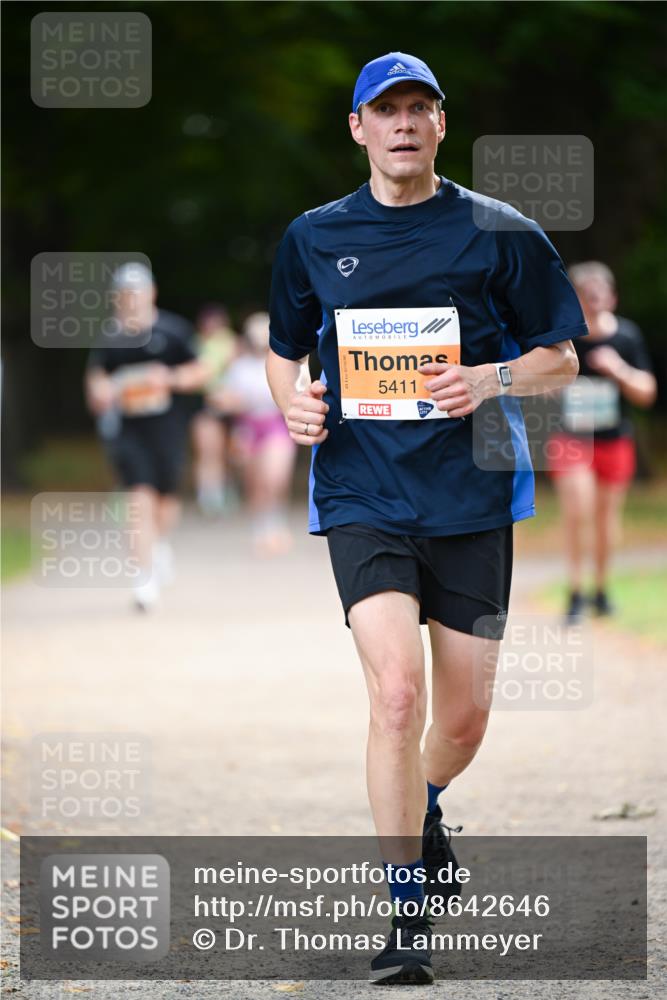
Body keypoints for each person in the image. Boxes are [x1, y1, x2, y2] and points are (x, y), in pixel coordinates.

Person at [267, 51, 585, 985]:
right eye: (385, 110)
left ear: (442, 124)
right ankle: (405, 914)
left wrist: (487, 378)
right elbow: (286, 354)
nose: (403, 124)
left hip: (472, 494)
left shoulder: (502, 233)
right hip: (362, 490)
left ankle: (430, 804)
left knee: (465, 714)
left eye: (420, 108)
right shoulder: (314, 237)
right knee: (395, 695)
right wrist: (293, 405)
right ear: (357, 128)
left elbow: (559, 359)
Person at [85, 263, 208, 611]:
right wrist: (103, 392)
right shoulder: (110, 337)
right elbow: (96, 380)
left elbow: (202, 370)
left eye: (137, 291)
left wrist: (167, 379)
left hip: (168, 428)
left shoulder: (173, 330)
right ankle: (143, 579)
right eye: (125, 293)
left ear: (151, 292)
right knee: (139, 500)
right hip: (128, 431)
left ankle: (159, 544)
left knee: (166, 501)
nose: (131, 299)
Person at [547, 261, 656, 624]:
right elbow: (539, 384)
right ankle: (575, 592)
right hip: (571, 439)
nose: (594, 301)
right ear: (575, 297)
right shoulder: (564, 336)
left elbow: (647, 393)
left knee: (607, 520)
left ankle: (602, 590)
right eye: (586, 294)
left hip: (613, 440)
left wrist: (618, 369)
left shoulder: (626, 336)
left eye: (599, 293)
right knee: (579, 510)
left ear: (612, 296)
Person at [210, 312, 297, 555]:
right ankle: (261, 525)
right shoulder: (239, 366)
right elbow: (224, 398)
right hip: (247, 427)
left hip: (274, 424)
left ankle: (277, 521)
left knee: (275, 477)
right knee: (255, 481)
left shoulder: (282, 363)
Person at [189, 304, 239, 516]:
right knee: (209, 451)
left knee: (229, 453)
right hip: (207, 404)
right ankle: (209, 496)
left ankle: (223, 491)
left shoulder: (230, 343)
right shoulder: (196, 345)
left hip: (231, 404)